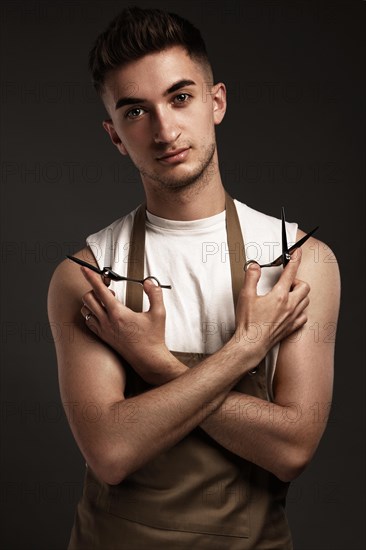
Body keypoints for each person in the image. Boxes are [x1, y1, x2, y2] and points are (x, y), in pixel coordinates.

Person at [47, 6, 340, 549]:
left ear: (216, 101)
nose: (164, 129)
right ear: (114, 136)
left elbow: (292, 449)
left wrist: (152, 361)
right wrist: (245, 349)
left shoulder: (299, 259)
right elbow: (111, 452)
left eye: (180, 98)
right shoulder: (86, 275)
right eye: (136, 112)